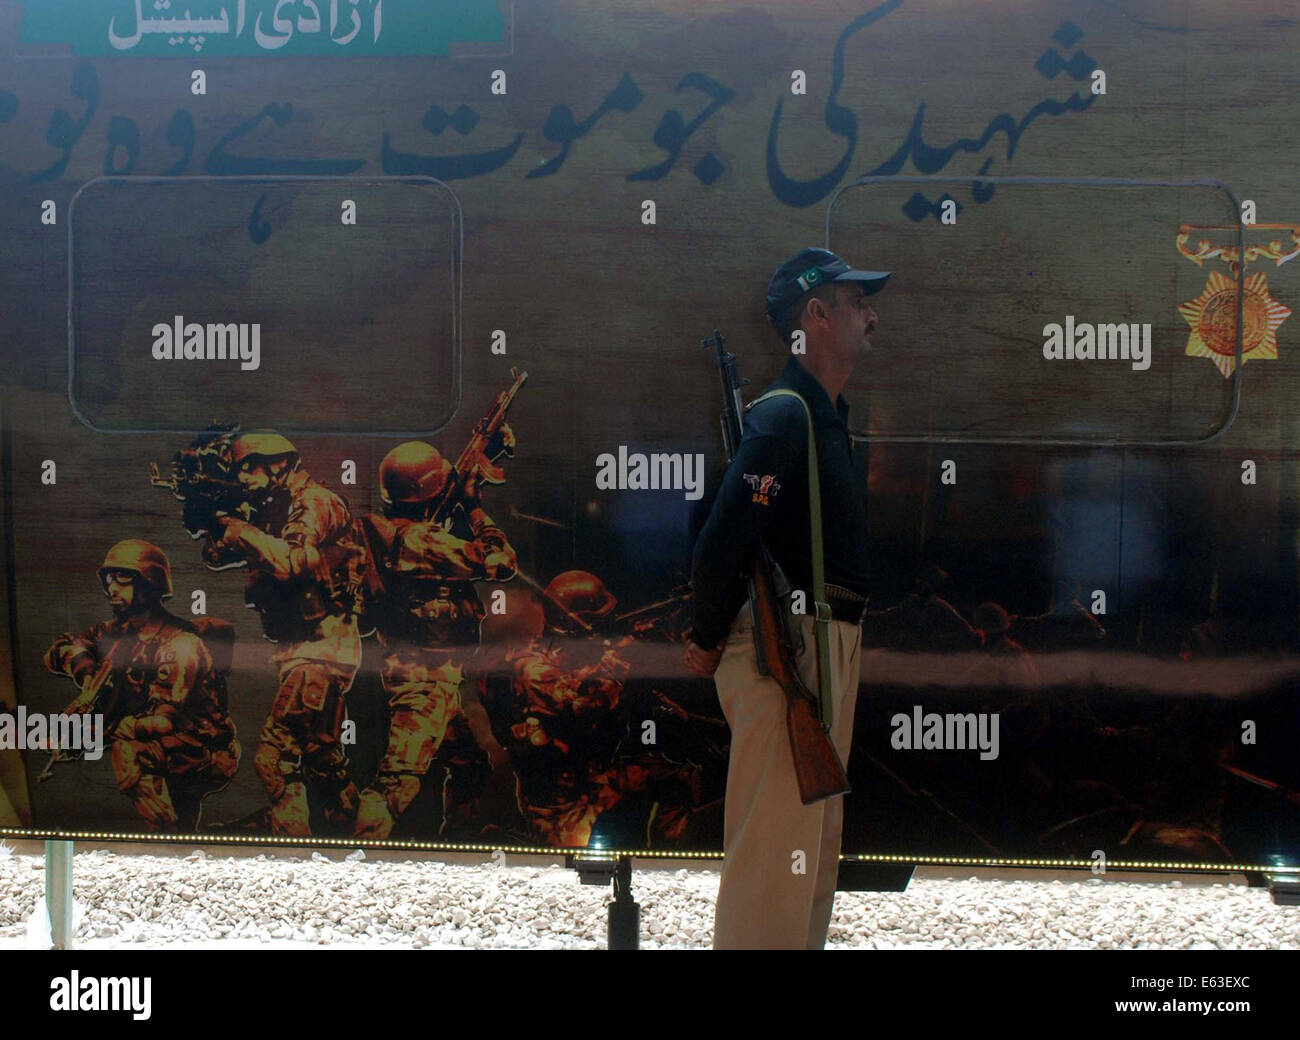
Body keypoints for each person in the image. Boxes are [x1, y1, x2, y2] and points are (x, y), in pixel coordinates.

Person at [684, 246, 887, 949]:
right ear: (817, 314)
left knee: (807, 858)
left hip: (824, 645)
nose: (873, 315)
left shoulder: (821, 417)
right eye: (858, 302)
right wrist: (707, 637)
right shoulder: (784, 418)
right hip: (793, 655)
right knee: (775, 859)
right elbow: (722, 541)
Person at [352, 440, 516, 839]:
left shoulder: (395, 535)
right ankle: (358, 856)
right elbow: (501, 562)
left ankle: (458, 841)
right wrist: (474, 507)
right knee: (397, 779)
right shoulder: (422, 542)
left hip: (419, 673)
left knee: (469, 762)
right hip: (427, 682)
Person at [205, 431, 365, 836]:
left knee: (274, 759)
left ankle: (288, 846)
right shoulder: (276, 508)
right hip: (308, 648)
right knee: (322, 758)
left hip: (321, 649)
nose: (242, 477)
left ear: (277, 462)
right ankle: (361, 833)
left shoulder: (314, 503)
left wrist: (242, 530)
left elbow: (291, 562)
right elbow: (218, 555)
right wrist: (215, 522)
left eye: (248, 467)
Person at [45, 539, 239, 830]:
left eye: (122, 579)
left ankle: (165, 838)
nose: (111, 588)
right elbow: (60, 650)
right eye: (108, 580)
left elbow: (162, 722)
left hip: (204, 747)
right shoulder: (113, 633)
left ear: (149, 584)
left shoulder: (180, 645)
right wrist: (88, 676)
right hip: (169, 742)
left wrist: (95, 732)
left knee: (129, 749)